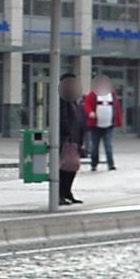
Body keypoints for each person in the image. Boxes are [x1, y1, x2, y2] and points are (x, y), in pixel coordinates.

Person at [83, 74, 121, 172]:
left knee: (108, 145)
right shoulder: (93, 94)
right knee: (94, 147)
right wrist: (90, 112)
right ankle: (94, 164)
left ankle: (111, 164)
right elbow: (87, 105)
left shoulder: (112, 94)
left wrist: (117, 120)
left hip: (108, 125)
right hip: (95, 126)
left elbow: (116, 108)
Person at [59, 73, 85, 206]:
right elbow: (62, 119)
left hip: (75, 139)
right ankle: (60, 194)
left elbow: (79, 119)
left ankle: (67, 192)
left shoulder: (74, 100)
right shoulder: (62, 100)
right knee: (64, 168)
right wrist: (67, 134)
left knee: (72, 167)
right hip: (66, 139)